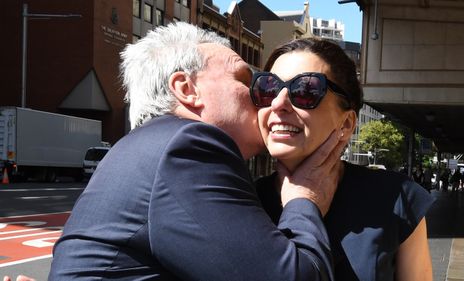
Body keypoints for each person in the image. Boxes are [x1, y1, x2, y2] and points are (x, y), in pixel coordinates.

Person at [44, 23, 343, 280]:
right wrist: (305, 198)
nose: (264, 97)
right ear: (187, 89)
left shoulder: (149, 145)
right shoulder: (189, 146)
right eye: (245, 80)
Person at [252, 38, 435, 280]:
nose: (278, 103)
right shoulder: (239, 200)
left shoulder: (397, 199)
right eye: (268, 88)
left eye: (305, 90)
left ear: (346, 124)